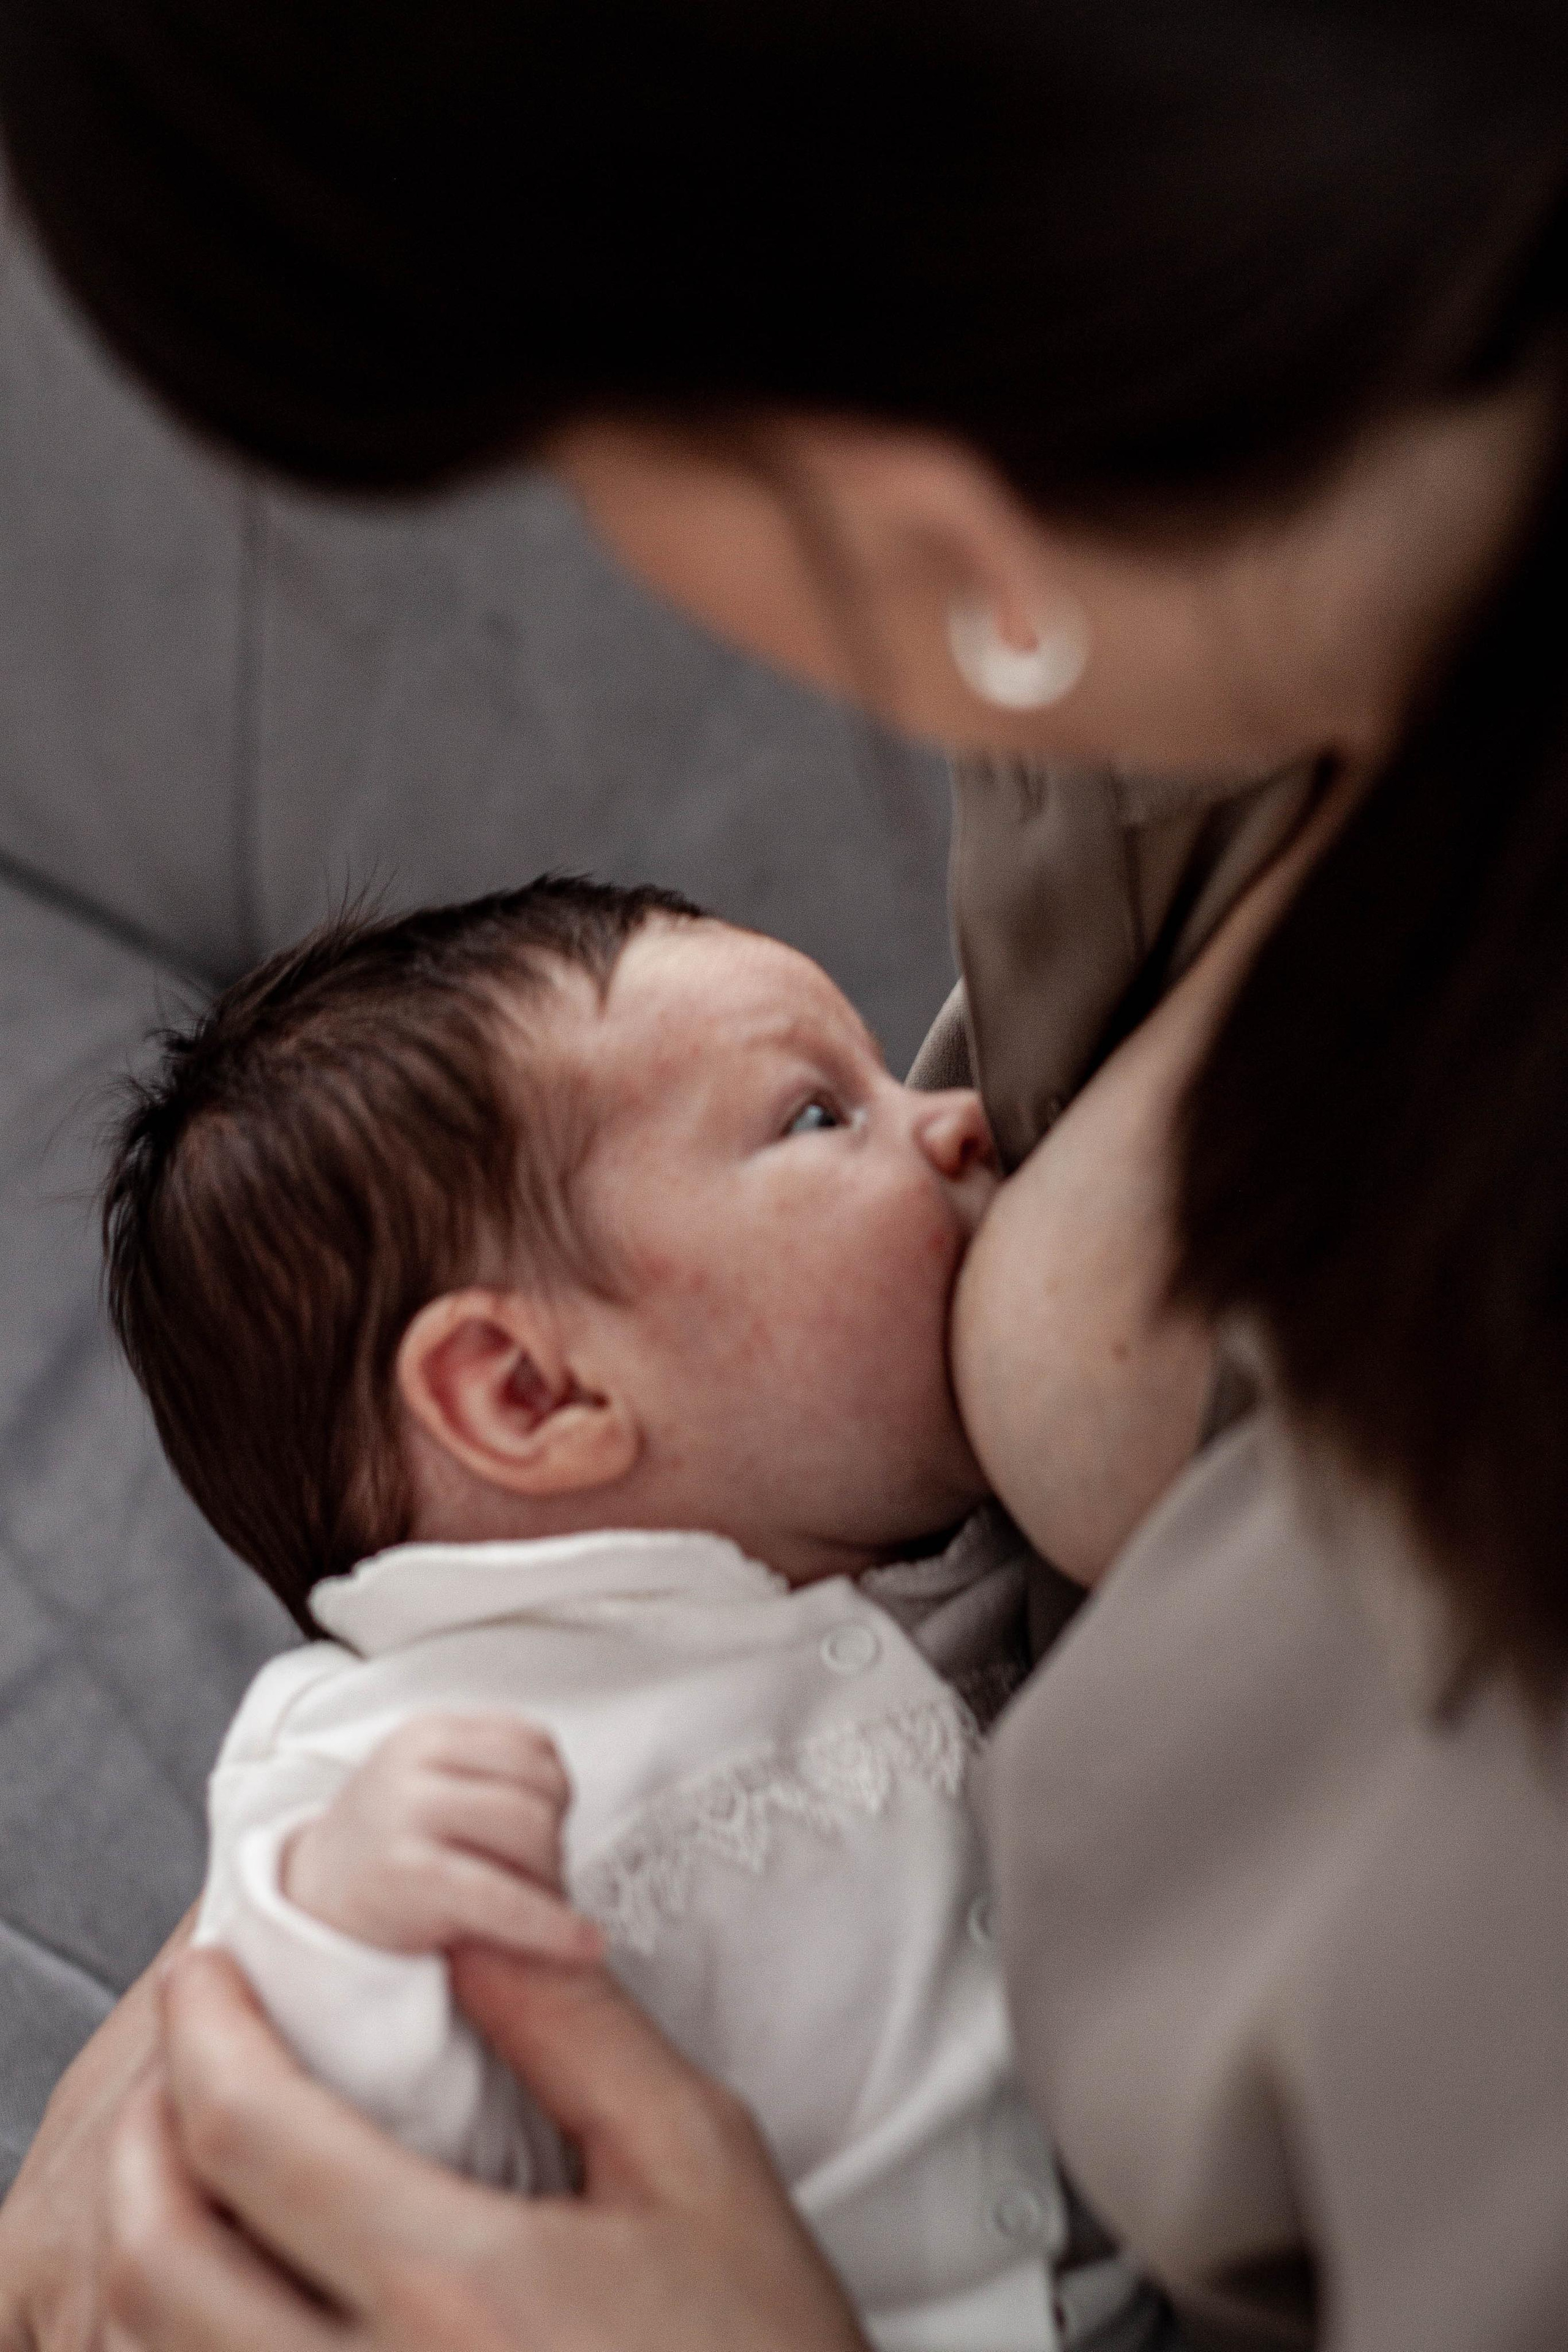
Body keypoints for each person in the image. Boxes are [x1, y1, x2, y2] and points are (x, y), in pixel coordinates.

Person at [0, 4, 1566, 2349]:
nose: (943, 1117)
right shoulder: (1185, 700)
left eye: (563, 436)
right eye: (831, 1110)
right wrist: (250, 2013)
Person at [98, 867, 1259, 2348]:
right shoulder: (391, 1749)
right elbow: (272, 2126)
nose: (953, 1112)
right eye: (819, 1114)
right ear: (532, 1393)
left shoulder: (969, 1568)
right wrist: (348, 1926)